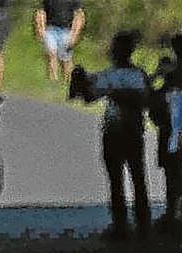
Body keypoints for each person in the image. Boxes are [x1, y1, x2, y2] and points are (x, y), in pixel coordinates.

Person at [72, 31, 151, 239]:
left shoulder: (109, 76)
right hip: (132, 132)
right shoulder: (138, 75)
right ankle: (142, 225)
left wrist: (87, 83)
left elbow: (89, 97)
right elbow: (146, 99)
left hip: (116, 132)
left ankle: (122, 226)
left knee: (118, 181)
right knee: (137, 179)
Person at [35, 0, 83, 82]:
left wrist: (75, 34)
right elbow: (41, 12)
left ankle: (67, 81)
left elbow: (79, 16)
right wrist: (41, 29)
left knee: (66, 58)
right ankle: (53, 80)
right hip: (50, 29)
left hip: (67, 30)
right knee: (51, 54)